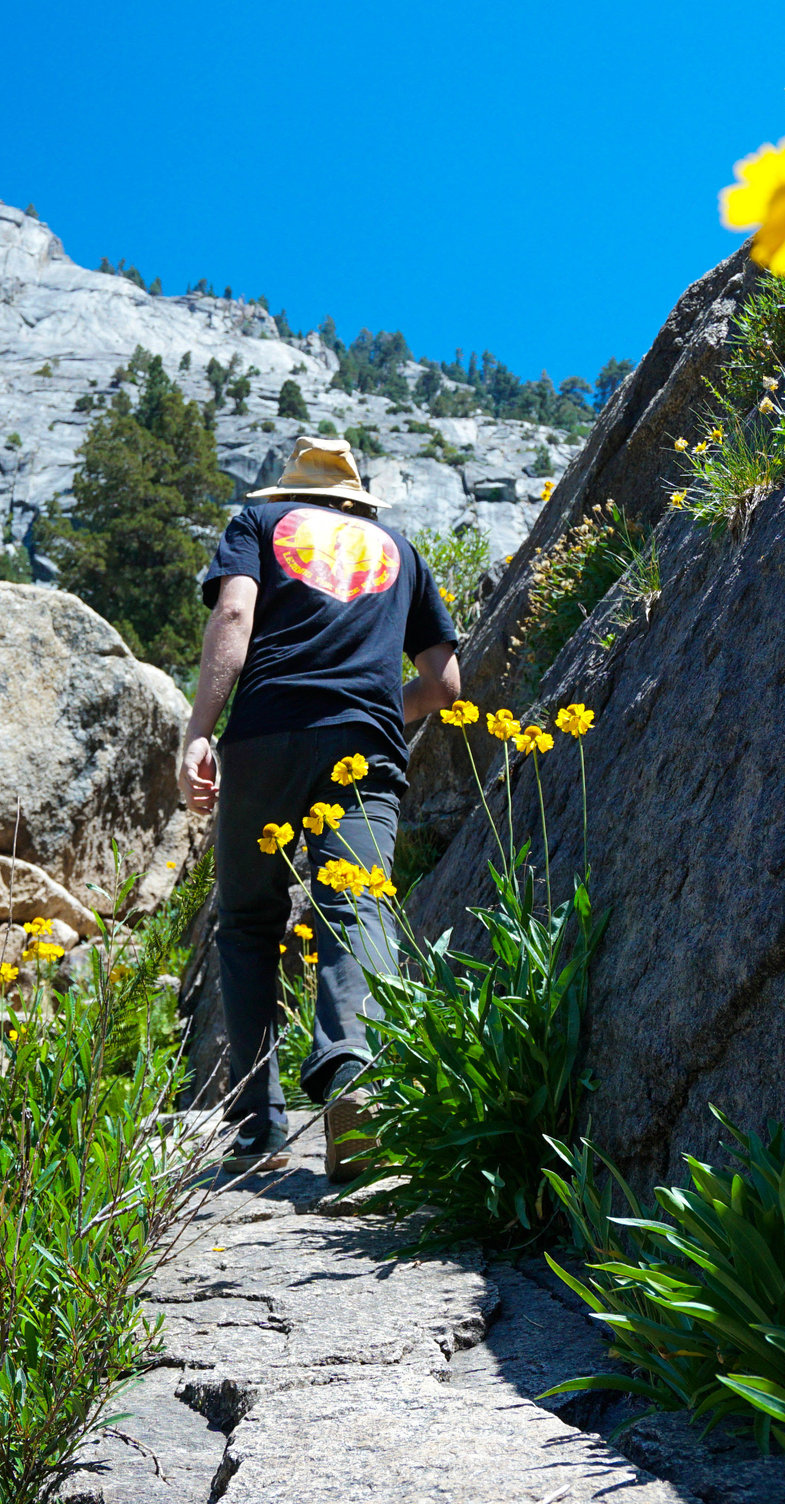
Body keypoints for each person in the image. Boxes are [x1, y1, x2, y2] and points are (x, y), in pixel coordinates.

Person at [181, 436, 461, 1172]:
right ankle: (354, 1077)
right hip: (363, 744)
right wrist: (370, 710)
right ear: (355, 498)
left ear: (292, 492)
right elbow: (443, 685)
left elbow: (234, 619)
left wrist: (199, 733)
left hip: (265, 731)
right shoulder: (401, 551)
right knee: (355, 903)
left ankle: (258, 1126)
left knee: (246, 922)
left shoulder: (260, 525)